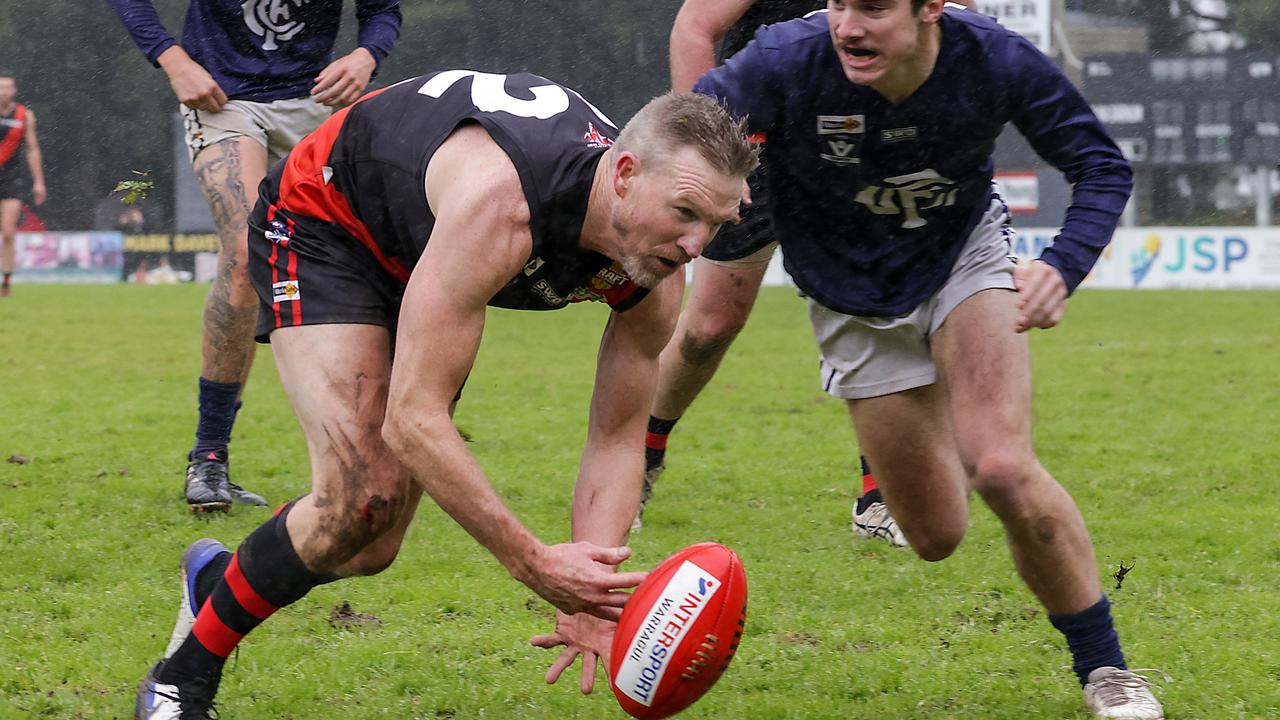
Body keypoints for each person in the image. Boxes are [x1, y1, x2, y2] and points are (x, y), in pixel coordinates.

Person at [132, 72, 756, 719]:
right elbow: (413, 419)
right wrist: (532, 561)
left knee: (370, 545)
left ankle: (219, 578)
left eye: (714, 223)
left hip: (426, 249)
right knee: (359, 499)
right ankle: (179, 681)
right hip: (328, 221)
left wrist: (588, 597)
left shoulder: (658, 273)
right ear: (624, 174)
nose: (694, 246)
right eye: (684, 213)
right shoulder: (507, 205)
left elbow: (619, 436)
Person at [691, 1, 1163, 717]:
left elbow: (1100, 164)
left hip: (960, 258)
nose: (848, 25)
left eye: (874, 7)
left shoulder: (992, 57)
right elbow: (682, 130)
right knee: (936, 535)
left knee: (1001, 465)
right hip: (848, 295)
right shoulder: (785, 59)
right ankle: (935, 398)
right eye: (841, 2)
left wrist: (1063, 266)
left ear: (931, 8)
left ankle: (1108, 671)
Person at [638, 0, 967, 542]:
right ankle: (641, 453)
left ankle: (881, 496)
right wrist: (709, 154)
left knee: (883, 308)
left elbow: (956, 20)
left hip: (862, 145)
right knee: (708, 328)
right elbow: (695, 26)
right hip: (758, 148)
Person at [107, 0, 402, 512]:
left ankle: (379, 449)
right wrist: (172, 58)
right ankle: (209, 457)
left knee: (369, 260)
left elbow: (383, 9)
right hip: (226, 100)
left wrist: (365, 55)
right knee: (246, 255)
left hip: (318, 102)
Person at [0, 69, 47, 298]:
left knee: (9, 233)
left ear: (15, 90)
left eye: (9, 87)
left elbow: (32, 149)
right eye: (1, 87)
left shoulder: (24, 115)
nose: (5, 91)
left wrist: (39, 181)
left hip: (10, 179)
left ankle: (6, 282)